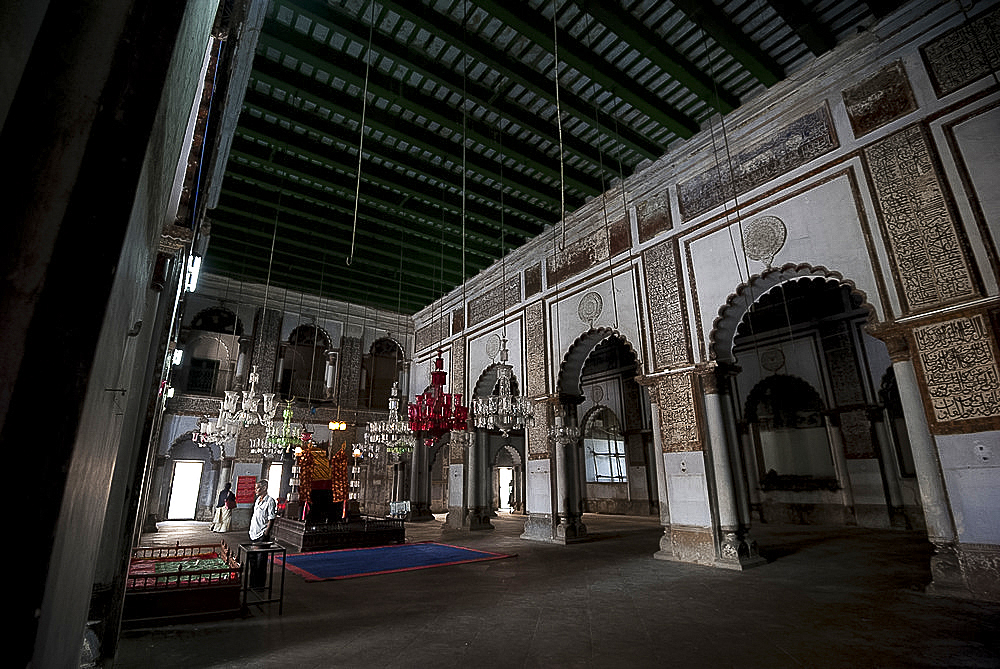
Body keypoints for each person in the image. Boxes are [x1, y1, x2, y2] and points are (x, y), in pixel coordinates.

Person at [247, 478, 277, 588]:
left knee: (260, 561)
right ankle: (252, 583)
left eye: (257, 488)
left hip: (261, 535)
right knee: (253, 560)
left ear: (264, 488)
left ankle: (259, 585)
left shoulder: (270, 501)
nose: (255, 490)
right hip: (253, 533)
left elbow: (271, 519)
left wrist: (265, 534)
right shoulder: (258, 500)